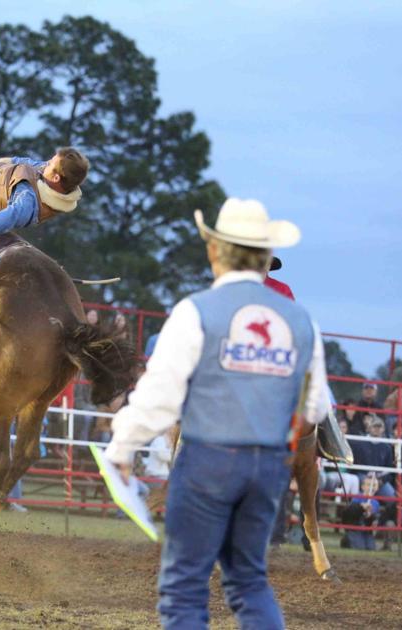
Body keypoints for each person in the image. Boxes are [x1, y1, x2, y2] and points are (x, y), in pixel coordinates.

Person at [104, 199, 329, 629]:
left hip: (209, 457)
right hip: (267, 465)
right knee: (249, 581)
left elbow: (160, 394)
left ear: (217, 251)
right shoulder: (300, 320)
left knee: (185, 586)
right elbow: (316, 406)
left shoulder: (196, 311)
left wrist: (122, 447)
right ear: (265, 256)